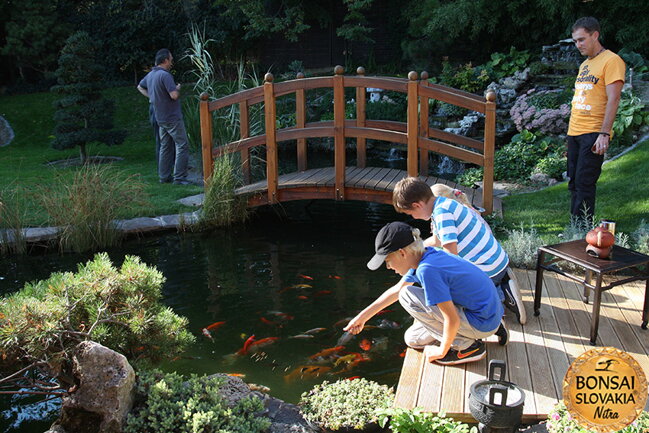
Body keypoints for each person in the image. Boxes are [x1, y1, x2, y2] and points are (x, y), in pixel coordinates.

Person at [344, 222, 508, 365]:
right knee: (412, 339)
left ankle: (468, 347)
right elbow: (396, 290)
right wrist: (362, 318)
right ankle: (488, 328)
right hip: (490, 313)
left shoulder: (427, 270)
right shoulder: (427, 254)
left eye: (388, 261)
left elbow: (451, 318)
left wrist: (441, 351)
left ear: (402, 253)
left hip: (480, 321)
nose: (388, 267)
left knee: (407, 295)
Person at [392, 178, 526, 325]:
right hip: (498, 263)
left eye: (411, 213)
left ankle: (497, 303)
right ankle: (503, 288)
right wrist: (414, 248)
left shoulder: (442, 214)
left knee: (443, 291)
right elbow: (437, 241)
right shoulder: (444, 204)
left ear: (417, 205)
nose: (413, 217)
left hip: (487, 271)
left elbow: (452, 259)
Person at [567, 17, 625, 222]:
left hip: (593, 132)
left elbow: (614, 98)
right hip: (574, 132)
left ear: (595, 35)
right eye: (575, 41)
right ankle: (575, 227)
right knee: (573, 182)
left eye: (582, 39)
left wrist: (604, 133)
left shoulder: (612, 61)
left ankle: (581, 230)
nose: (578, 45)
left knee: (585, 182)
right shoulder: (585, 65)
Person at [137, 49, 190, 184]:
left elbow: (140, 87)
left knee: (165, 146)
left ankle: (164, 177)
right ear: (165, 60)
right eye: (171, 59)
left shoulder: (151, 75)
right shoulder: (165, 75)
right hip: (172, 117)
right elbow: (174, 95)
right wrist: (178, 88)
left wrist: (152, 97)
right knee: (182, 145)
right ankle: (179, 178)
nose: (172, 61)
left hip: (160, 118)